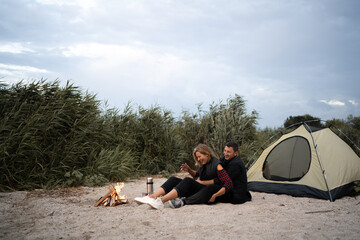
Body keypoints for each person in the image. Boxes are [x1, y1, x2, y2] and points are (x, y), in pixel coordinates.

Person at [134, 144, 233, 209]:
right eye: (197, 157)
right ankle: (152, 197)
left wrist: (203, 185)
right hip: (199, 187)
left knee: (187, 181)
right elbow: (197, 175)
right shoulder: (204, 164)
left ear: (207, 154)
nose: (198, 159)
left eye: (200, 156)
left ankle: (161, 201)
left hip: (206, 190)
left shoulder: (217, 165)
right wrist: (189, 169)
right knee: (173, 179)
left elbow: (226, 182)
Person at [169, 141, 251, 208]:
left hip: (234, 193)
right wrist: (191, 171)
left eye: (229, 152)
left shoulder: (236, 165)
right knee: (182, 181)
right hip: (225, 188)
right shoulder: (224, 158)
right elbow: (211, 174)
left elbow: (224, 182)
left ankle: (184, 201)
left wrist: (209, 189)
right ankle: (167, 196)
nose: (225, 153)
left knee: (210, 188)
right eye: (225, 150)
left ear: (235, 153)